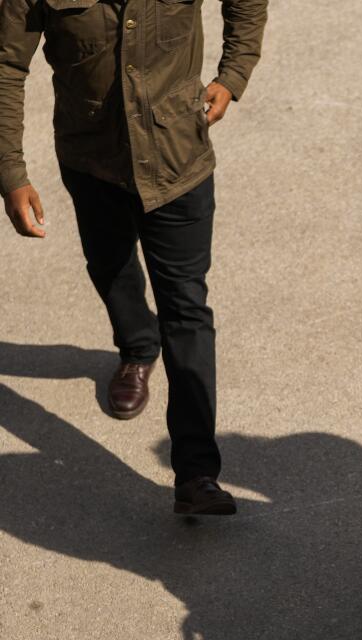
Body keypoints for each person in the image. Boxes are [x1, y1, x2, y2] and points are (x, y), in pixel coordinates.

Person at [0, 0, 268, 514]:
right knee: (111, 268)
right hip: (91, 161)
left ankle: (195, 473)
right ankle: (137, 349)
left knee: (187, 309)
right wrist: (11, 173)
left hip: (177, 160)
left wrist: (233, 73)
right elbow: (6, 65)